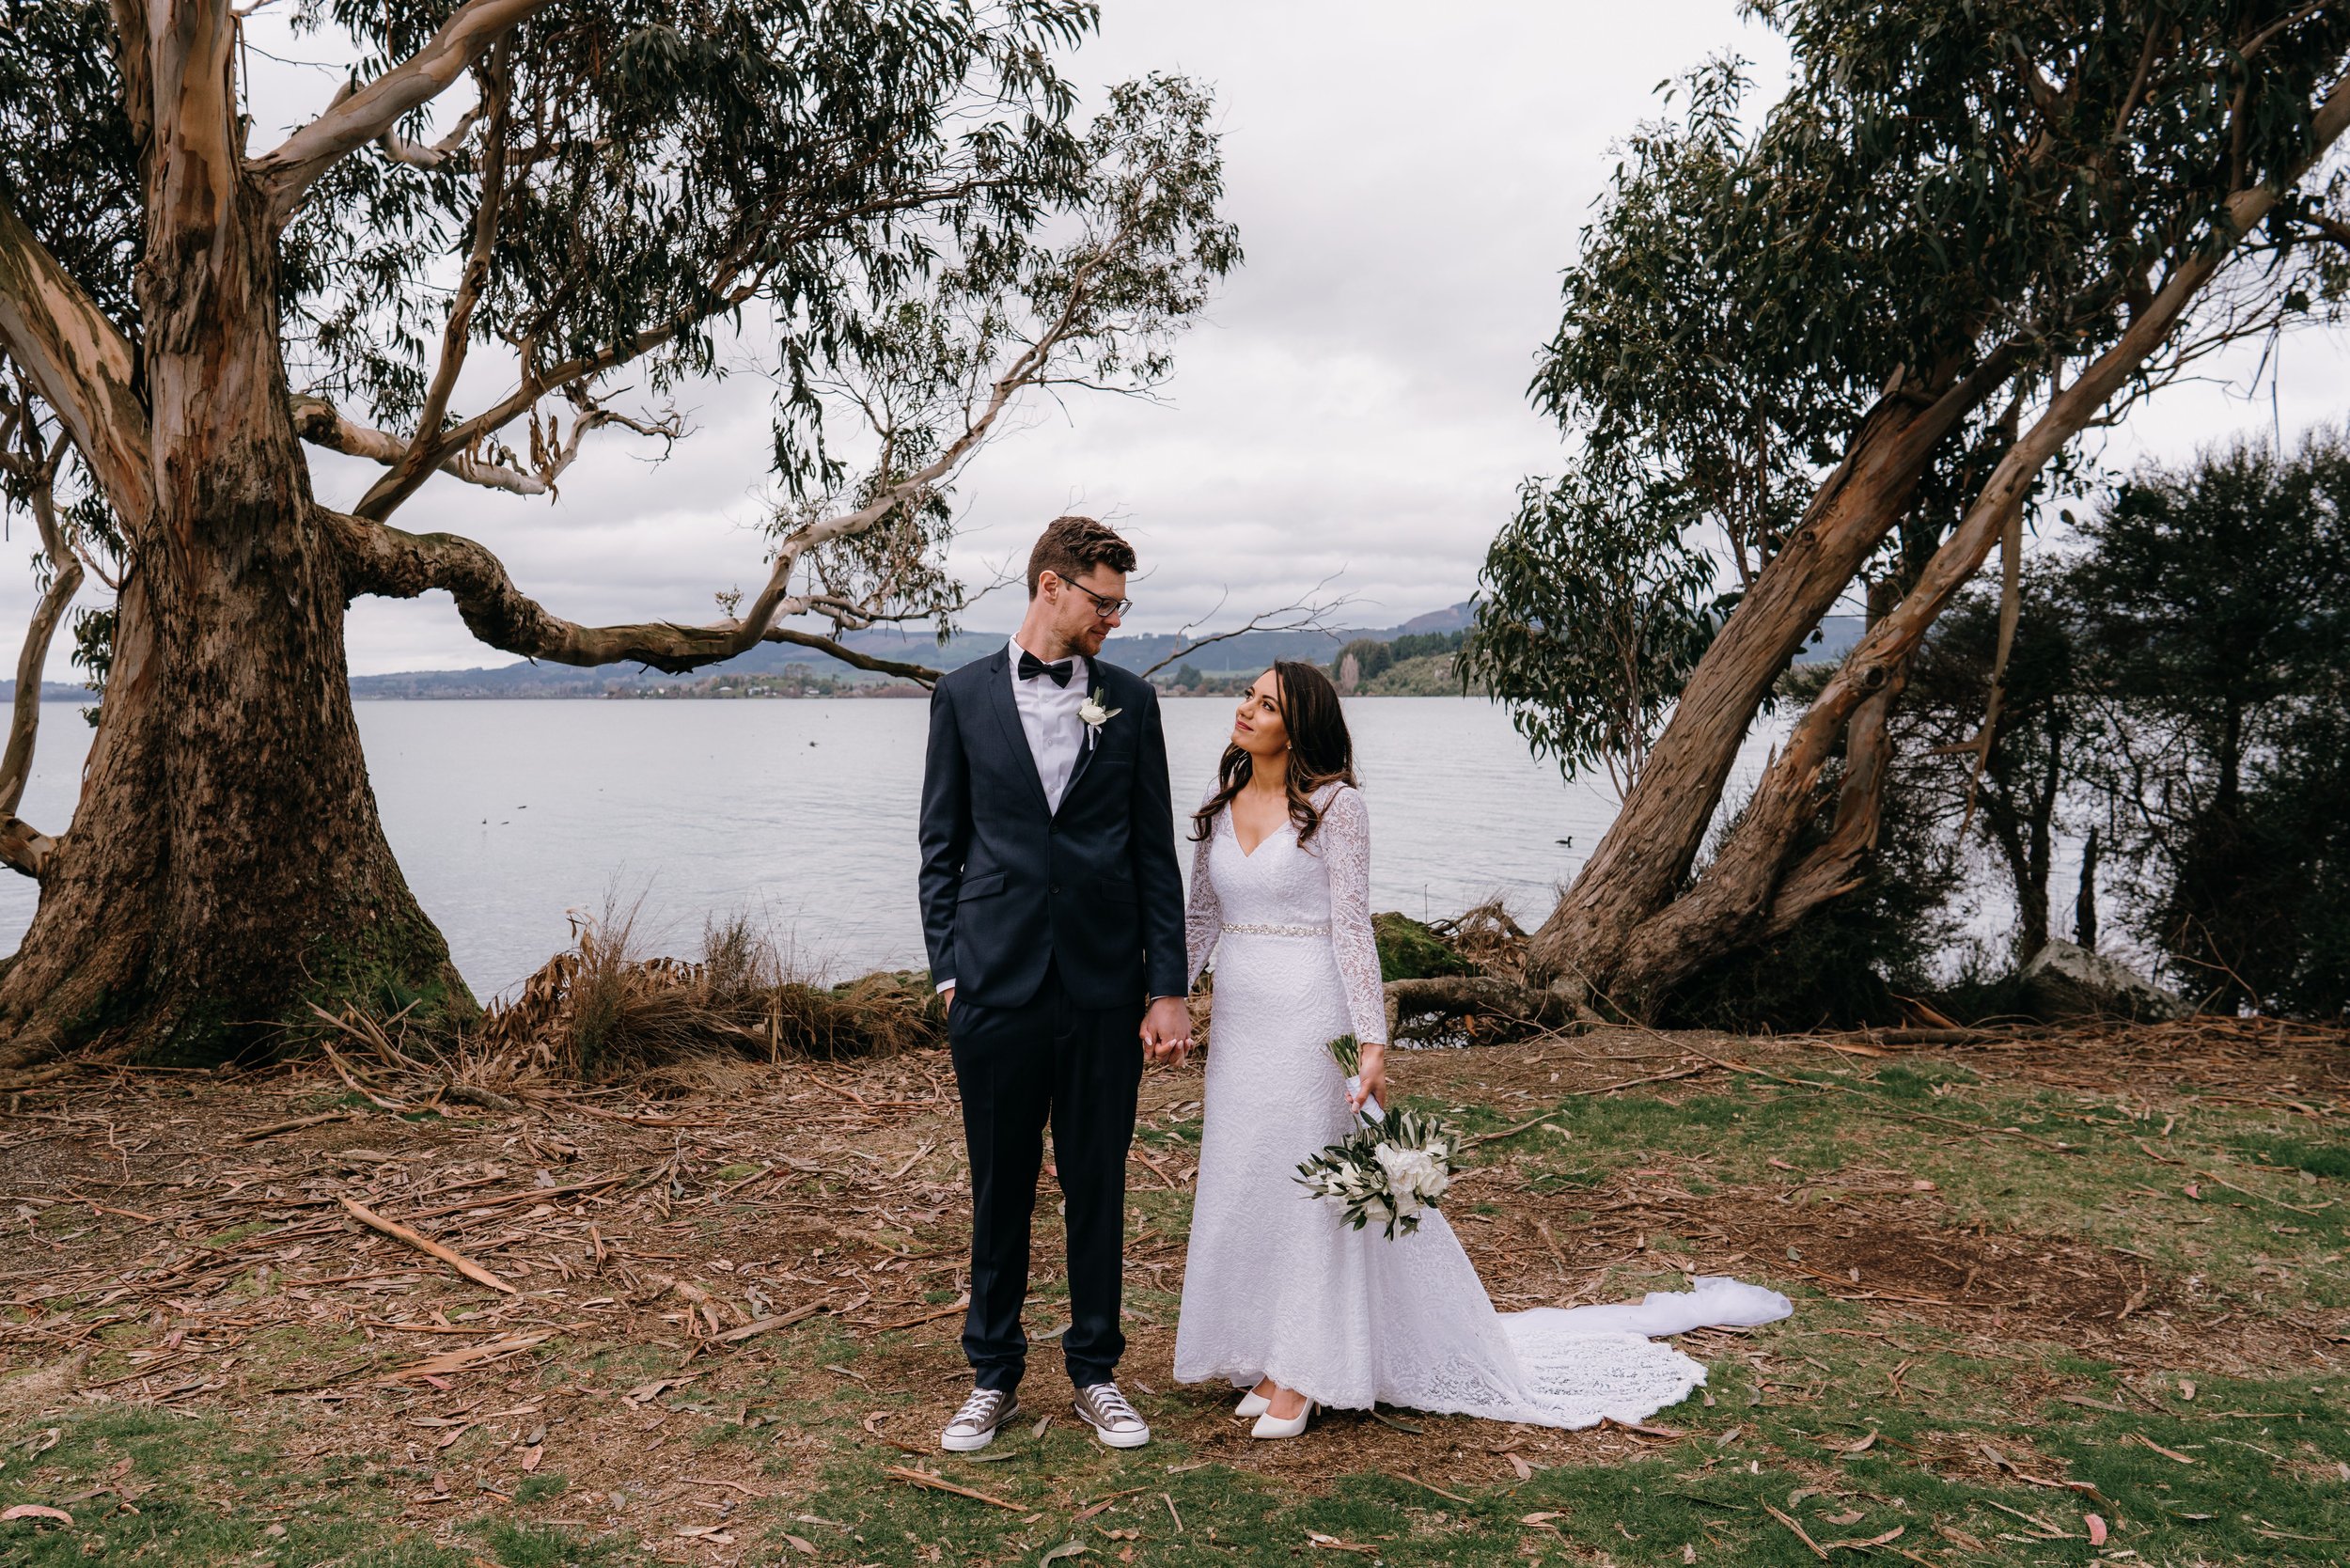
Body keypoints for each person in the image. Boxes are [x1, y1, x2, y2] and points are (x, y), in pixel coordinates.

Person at [1173, 660, 1791, 1438]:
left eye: (1266, 704)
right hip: (1241, 1024)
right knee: (1249, 1179)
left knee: (1311, 1187)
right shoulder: (1222, 802)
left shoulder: (1338, 808)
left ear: (1300, 727)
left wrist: (1372, 1041)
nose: (1247, 710)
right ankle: (1268, 1352)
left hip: (1308, 1017)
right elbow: (1198, 919)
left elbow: (1354, 932)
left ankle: (1305, 1368)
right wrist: (1163, 997)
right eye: (1248, 696)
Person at [916, 515, 1194, 1452]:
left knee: (1097, 1186)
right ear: (1049, 587)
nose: (1114, 618)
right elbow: (940, 850)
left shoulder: (1130, 701)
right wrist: (950, 975)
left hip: (1103, 988)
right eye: (1101, 602)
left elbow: (1154, 853)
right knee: (998, 1190)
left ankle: (1095, 1372)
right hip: (993, 990)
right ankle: (992, 1376)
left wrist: (1167, 987)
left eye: (1121, 603)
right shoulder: (959, 698)